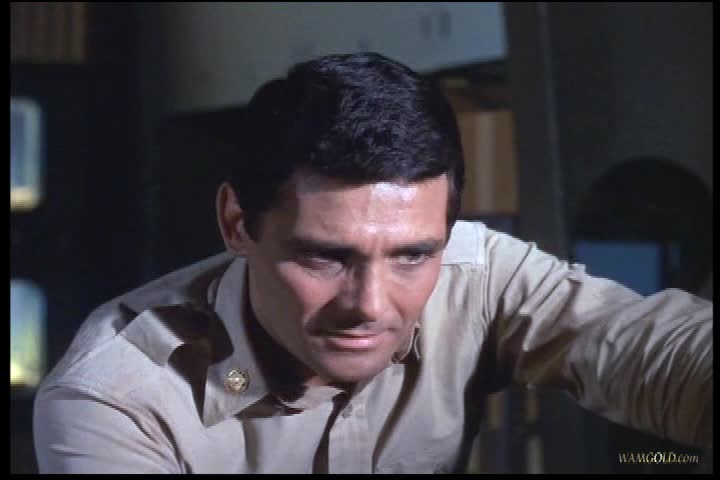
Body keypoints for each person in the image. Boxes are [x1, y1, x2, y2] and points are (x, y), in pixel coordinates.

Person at [33, 52, 712, 474]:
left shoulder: (477, 276)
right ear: (237, 224)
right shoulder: (117, 400)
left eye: (413, 254)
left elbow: (654, 350)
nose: (372, 305)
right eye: (325, 257)